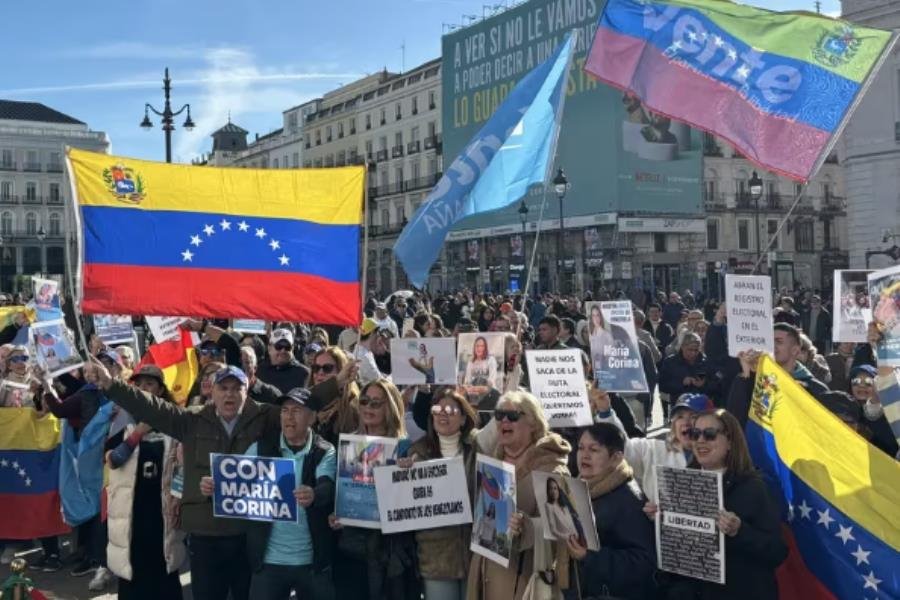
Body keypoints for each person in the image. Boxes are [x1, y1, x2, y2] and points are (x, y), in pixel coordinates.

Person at [84, 361, 281, 600]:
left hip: (247, 535)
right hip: (205, 537)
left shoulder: (264, 417)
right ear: (212, 390)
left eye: (236, 388)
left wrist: (340, 381)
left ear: (246, 390)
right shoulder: (192, 420)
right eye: (223, 387)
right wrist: (110, 384)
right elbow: (152, 406)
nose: (229, 394)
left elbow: (301, 407)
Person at [467, 391, 572, 600]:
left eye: (513, 416)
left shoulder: (550, 468)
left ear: (533, 423)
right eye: (499, 415)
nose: (504, 420)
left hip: (524, 579)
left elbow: (563, 530)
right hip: (485, 572)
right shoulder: (491, 461)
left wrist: (527, 526)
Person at [239, 388, 337, 600]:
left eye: (296, 411)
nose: (289, 417)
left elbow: (327, 485)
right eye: (284, 410)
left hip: (312, 563)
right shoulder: (260, 449)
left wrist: (313, 494)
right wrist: (215, 487)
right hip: (268, 562)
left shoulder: (324, 450)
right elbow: (236, 484)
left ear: (312, 417)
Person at [329, 378, 417, 600]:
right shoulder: (348, 445)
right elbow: (342, 493)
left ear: (391, 407)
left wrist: (407, 474)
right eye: (365, 401)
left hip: (390, 554)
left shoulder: (406, 449)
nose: (368, 408)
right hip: (353, 550)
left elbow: (412, 505)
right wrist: (337, 514)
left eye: (376, 403)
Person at [687, 409, 787, 599]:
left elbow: (777, 551)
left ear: (730, 442)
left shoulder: (754, 487)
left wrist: (739, 531)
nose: (700, 440)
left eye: (709, 434)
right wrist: (657, 519)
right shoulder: (682, 480)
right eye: (695, 434)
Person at [105, 365, 185, 600]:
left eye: (149, 384)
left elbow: (182, 470)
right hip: (131, 519)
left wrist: (178, 499)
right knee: (133, 581)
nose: (143, 389)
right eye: (138, 385)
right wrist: (138, 432)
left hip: (164, 519)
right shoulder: (122, 421)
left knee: (165, 580)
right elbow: (113, 460)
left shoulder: (175, 423)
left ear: (160, 390)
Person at [403, 389, 481, 600]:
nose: (442, 414)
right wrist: (403, 475)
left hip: (475, 557)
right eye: (437, 409)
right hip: (436, 560)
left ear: (464, 418)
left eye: (450, 410)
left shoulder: (479, 449)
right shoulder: (416, 454)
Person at [564, 424, 655, 600]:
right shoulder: (576, 488)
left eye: (594, 449)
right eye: (581, 448)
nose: (585, 455)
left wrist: (589, 557)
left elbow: (643, 562)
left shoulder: (628, 499)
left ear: (616, 458)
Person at [597, 392, 712, 504]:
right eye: (680, 417)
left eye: (693, 417)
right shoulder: (653, 449)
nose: (686, 423)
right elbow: (623, 450)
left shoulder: (719, 457)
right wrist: (605, 412)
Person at [728, 324, 829, 428]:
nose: (772, 346)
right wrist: (747, 375)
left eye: (778, 342)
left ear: (795, 350)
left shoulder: (816, 389)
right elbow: (735, 424)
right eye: (769, 342)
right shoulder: (753, 381)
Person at [309, 346, 360, 447]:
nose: (320, 372)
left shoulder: (354, 408)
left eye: (327, 368)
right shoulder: (305, 402)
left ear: (342, 372)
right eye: (316, 368)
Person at [658, 333, 719, 411]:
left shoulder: (707, 363)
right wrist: (681, 383)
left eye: (696, 350)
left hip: (702, 408)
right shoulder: (670, 362)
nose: (693, 353)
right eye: (690, 350)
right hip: (680, 407)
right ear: (682, 347)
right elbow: (662, 385)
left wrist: (704, 385)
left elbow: (716, 385)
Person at [258, 328, 310, 393]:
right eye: (279, 346)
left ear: (292, 348)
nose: (283, 350)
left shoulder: (304, 373)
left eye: (287, 347)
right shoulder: (259, 370)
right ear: (269, 348)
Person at [543, 477, 581, 542]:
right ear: (548, 491)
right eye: (550, 488)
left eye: (555, 488)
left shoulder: (564, 506)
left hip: (575, 538)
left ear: (558, 490)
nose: (553, 491)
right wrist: (568, 537)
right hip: (564, 541)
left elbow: (571, 523)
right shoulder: (548, 506)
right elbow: (553, 530)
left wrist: (576, 534)